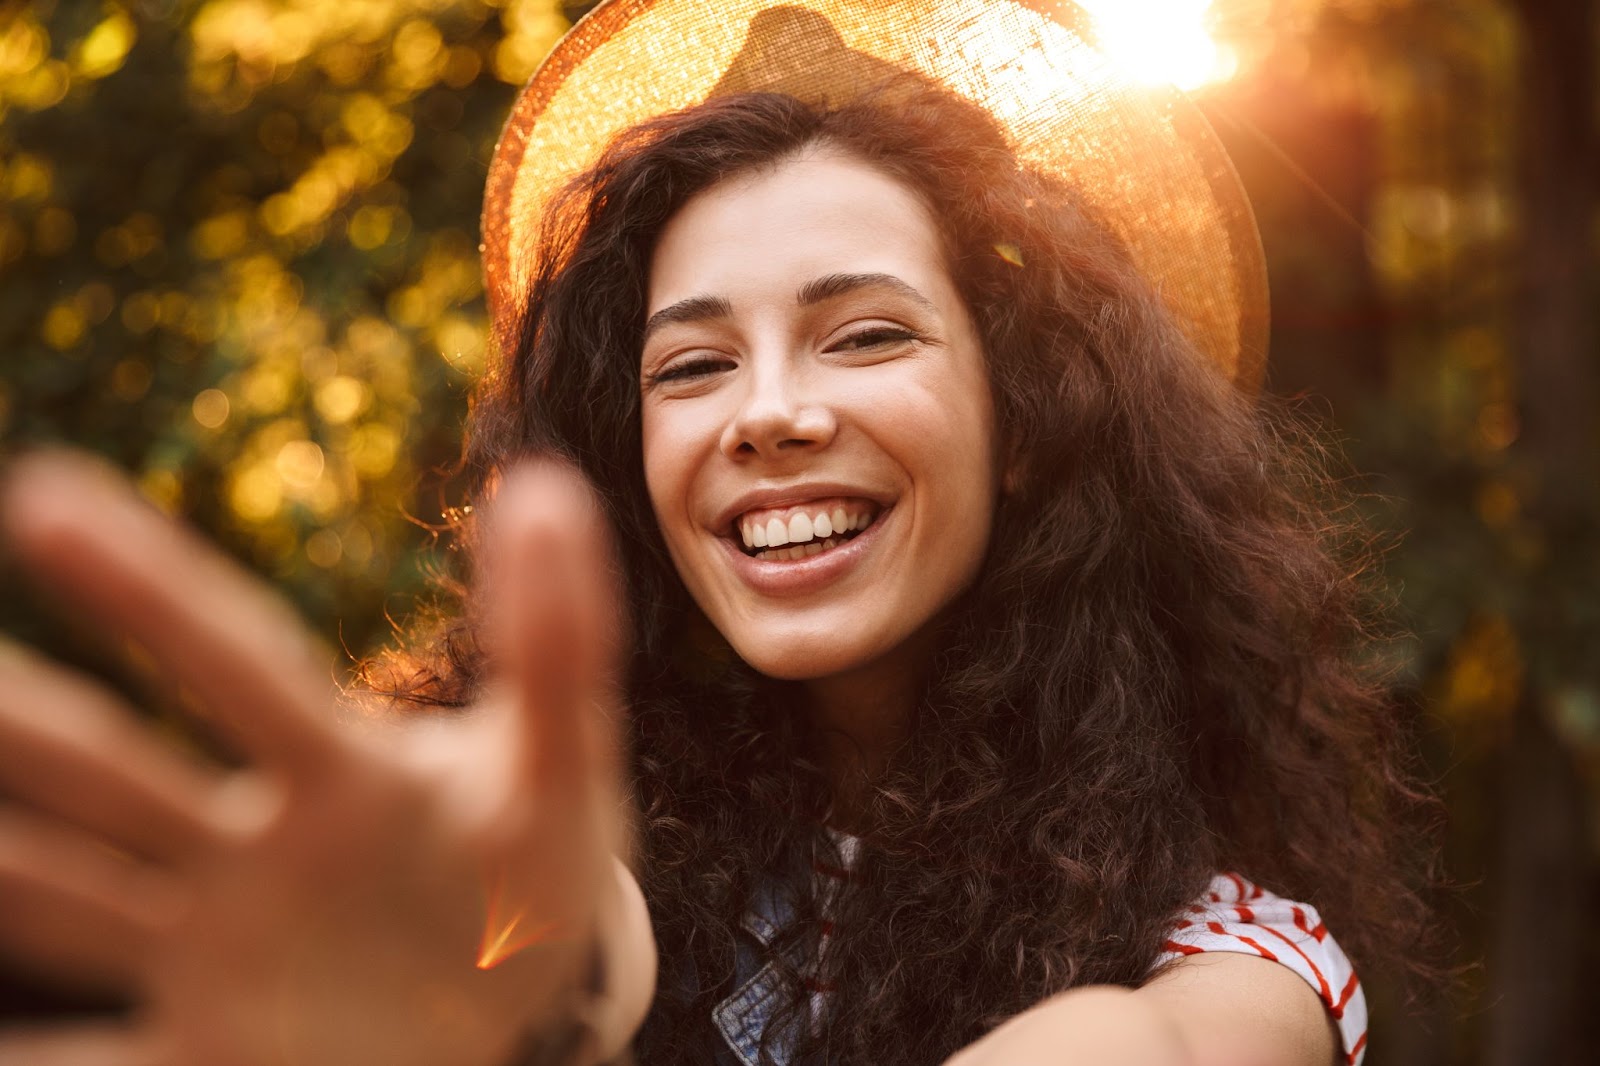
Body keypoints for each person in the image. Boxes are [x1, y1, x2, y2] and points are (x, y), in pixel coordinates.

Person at [0, 2, 1440, 1065]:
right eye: (692, 365)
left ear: (1031, 415)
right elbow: (565, 931)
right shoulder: (592, 837)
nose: (769, 412)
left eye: (863, 333)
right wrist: (485, 975)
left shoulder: (1242, 962)